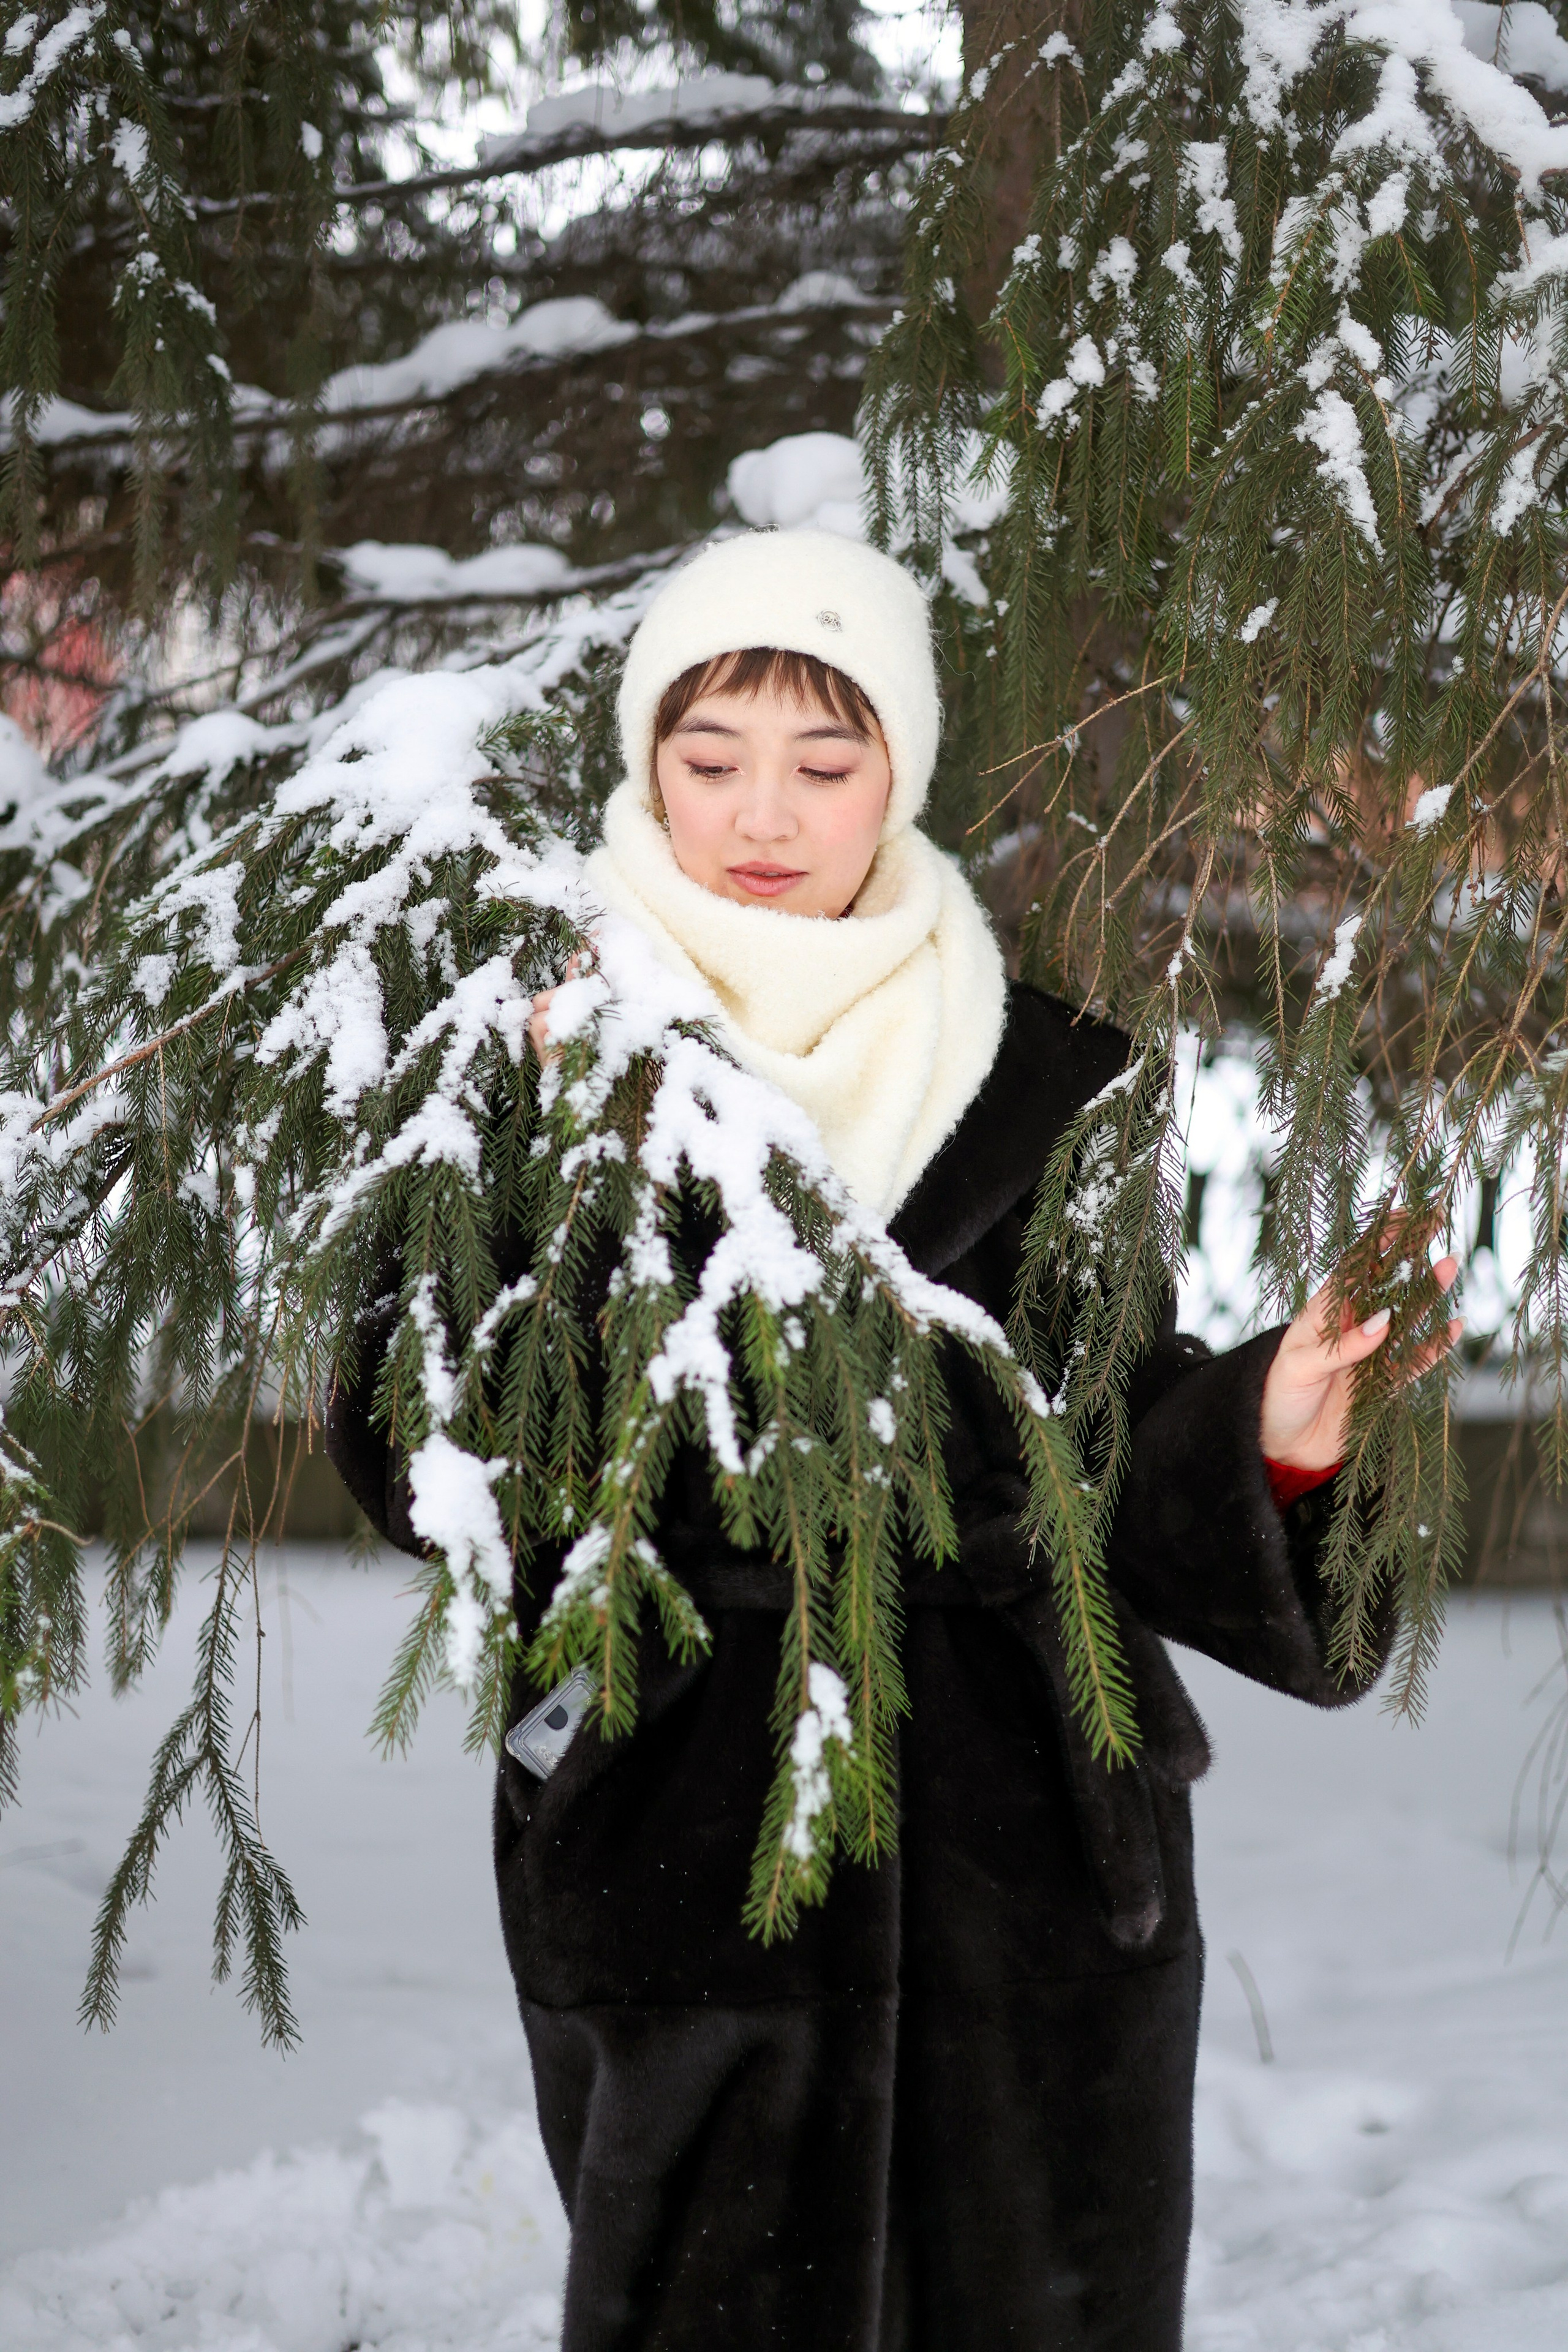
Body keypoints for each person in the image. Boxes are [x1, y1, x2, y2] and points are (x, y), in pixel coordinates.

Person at [327, 529, 1460, 2352]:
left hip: (1033, 1870)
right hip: (687, 1826)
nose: (763, 811)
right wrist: (547, 1185)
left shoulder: (1040, 1074)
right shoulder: (542, 1055)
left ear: (900, 776)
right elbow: (418, 1462)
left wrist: (1271, 1430)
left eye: (825, 762)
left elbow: (1098, 1431)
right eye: (710, 760)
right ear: (646, 769)